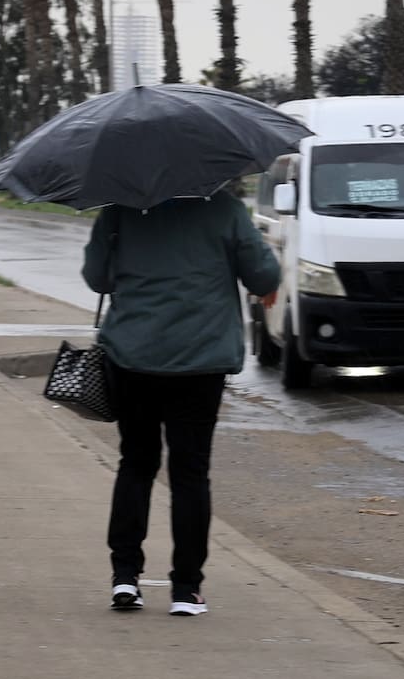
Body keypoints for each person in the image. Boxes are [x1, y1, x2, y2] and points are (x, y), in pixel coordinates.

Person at [82, 187, 280, 615]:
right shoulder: (224, 209)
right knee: (190, 472)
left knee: (136, 463)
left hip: (132, 356)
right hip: (201, 360)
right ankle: (186, 589)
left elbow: (97, 278)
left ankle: (125, 577)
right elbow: (263, 276)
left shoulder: (120, 209)